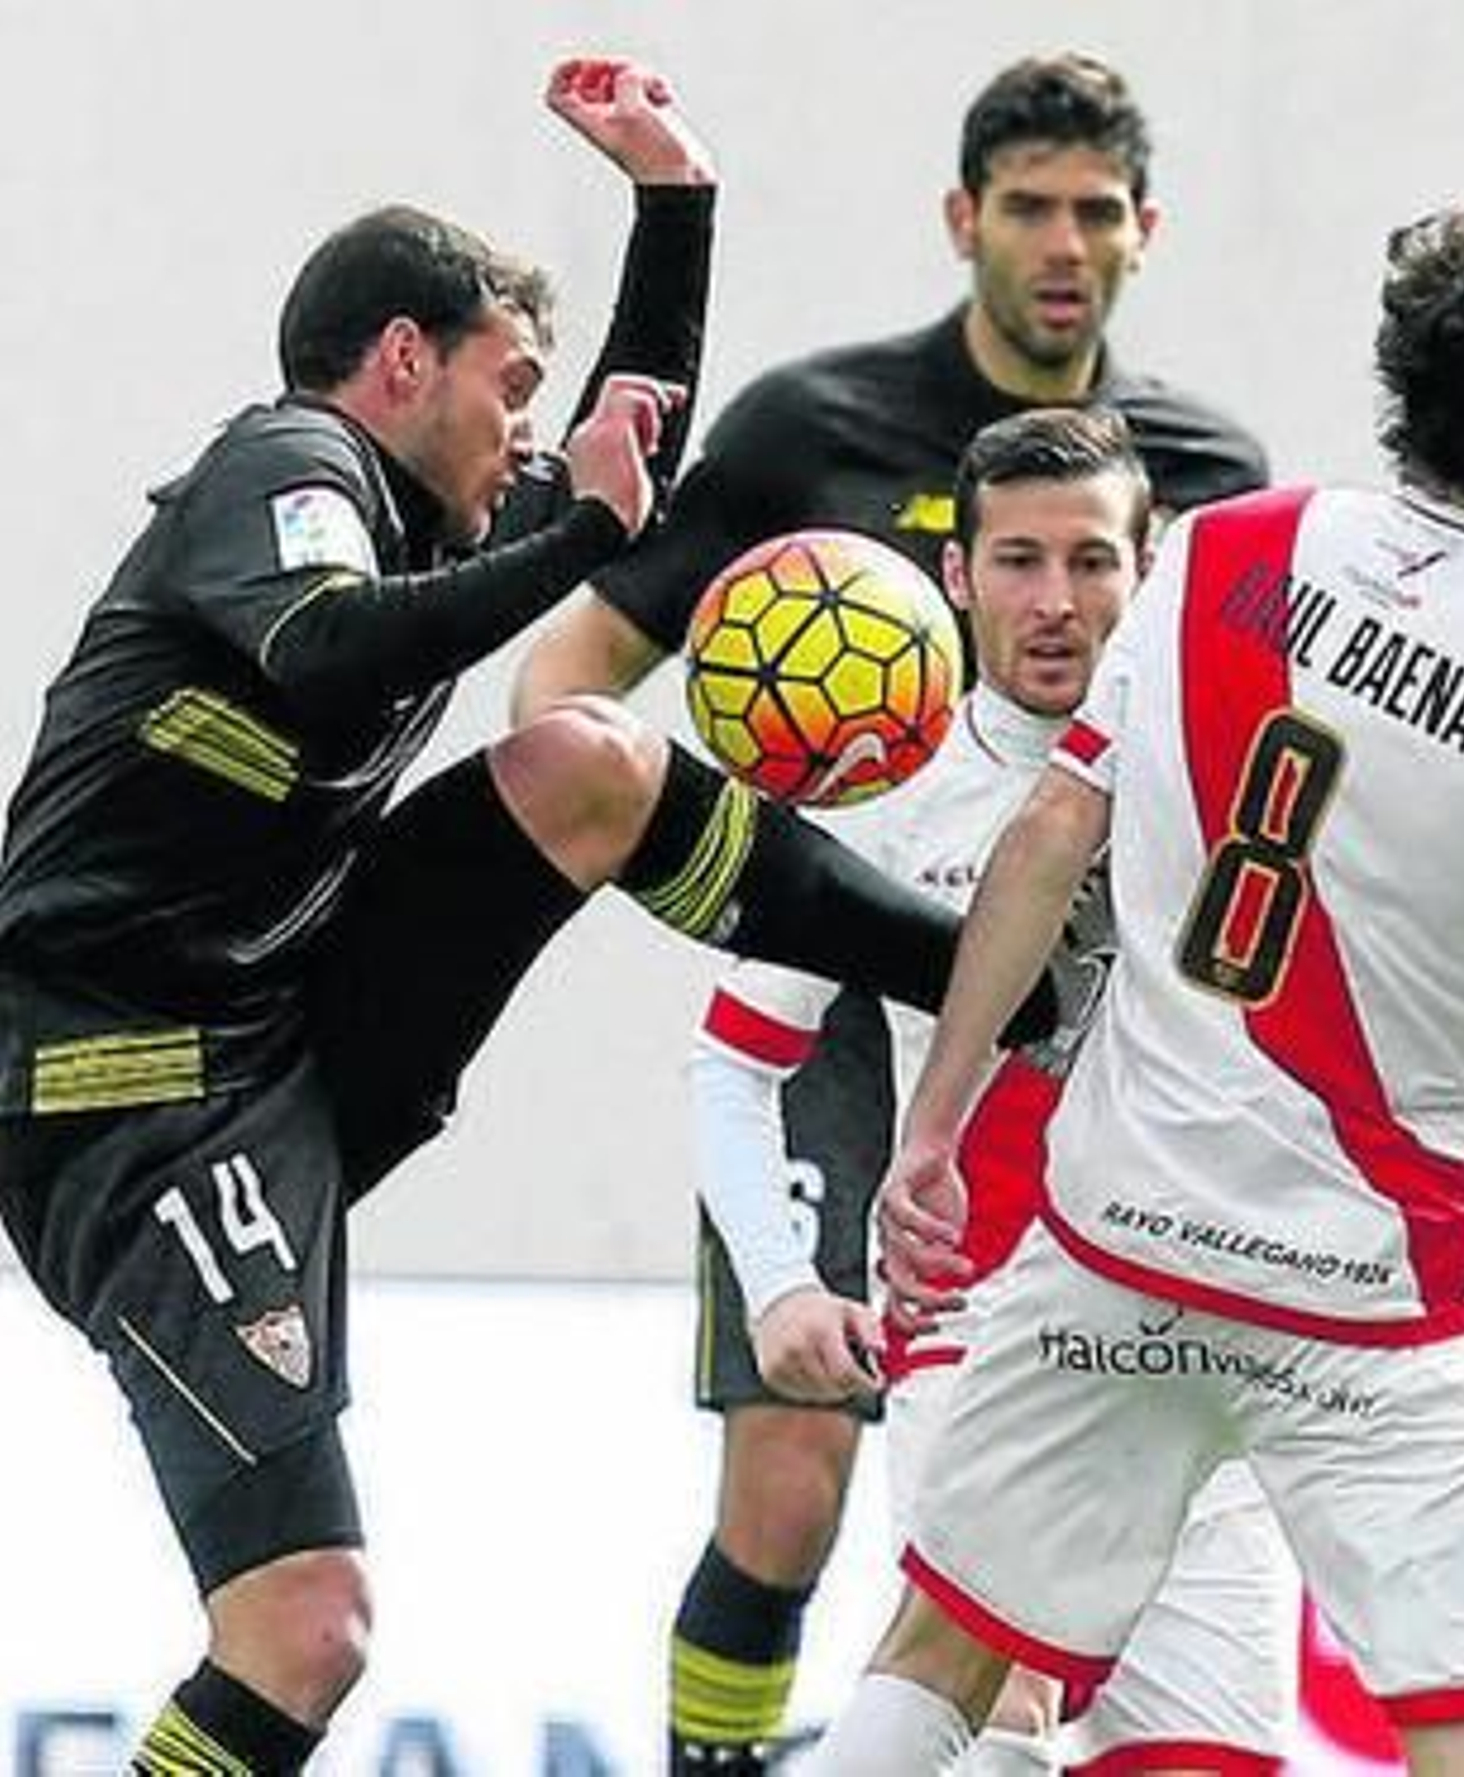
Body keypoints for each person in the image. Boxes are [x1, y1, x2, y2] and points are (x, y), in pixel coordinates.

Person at [0, 59, 1065, 1777]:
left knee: (588, 761)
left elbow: (625, 455)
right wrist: (576, 537)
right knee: (306, 1628)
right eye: (508, 388)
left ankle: (1014, 991)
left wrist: (679, 203)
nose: (528, 431)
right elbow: (332, 649)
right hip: (123, 1095)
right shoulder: (286, 462)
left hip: (281, 1021)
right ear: (400, 361)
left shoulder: (435, 511)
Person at [511, 50, 1269, 1776]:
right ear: (963, 220)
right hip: (850, 977)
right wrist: (706, 869)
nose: (1062, 244)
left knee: (1084, 1649)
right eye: (1030, 209)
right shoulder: (814, 426)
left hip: (1093, 1078)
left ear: (1144, 233)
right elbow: (574, 674)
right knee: (793, 1474)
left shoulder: (1206, 465)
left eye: (1094, 211)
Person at [808, 197, 1464, 1776]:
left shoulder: (1232, 549)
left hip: (1124, 1245)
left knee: (940, 1648)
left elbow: (1051, 831)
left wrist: (932, 1125)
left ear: (1399, 375)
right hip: (1373, 1304)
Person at [690, 407, 1298, 1775]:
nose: (1055, 602)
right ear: (957, 576)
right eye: (1019, 562)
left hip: (1208, 1360)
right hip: (987, 1347)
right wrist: (780, 1282)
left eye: (1090, 561)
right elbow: (736, 1058)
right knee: (998, 1720)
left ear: (1148, 567)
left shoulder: (1230, 774)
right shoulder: (880, 795)